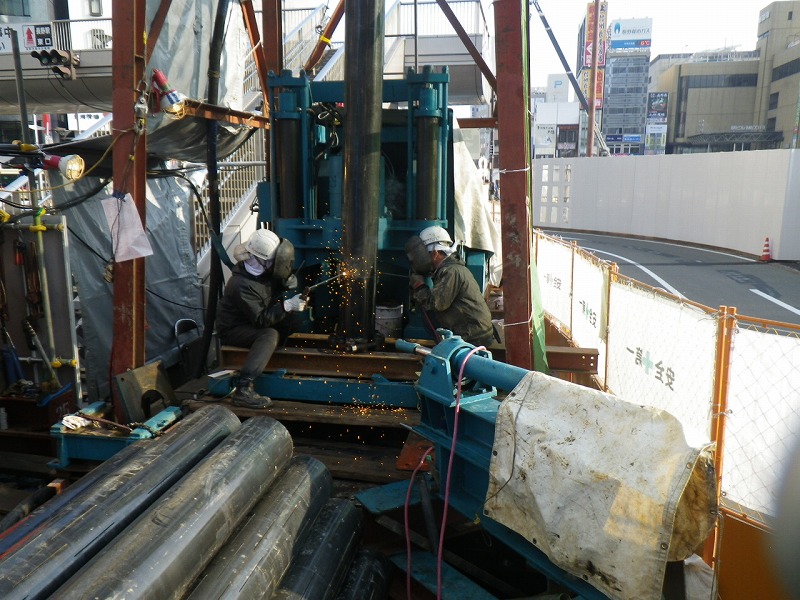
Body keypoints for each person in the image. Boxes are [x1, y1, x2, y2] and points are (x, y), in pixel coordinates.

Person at [216, 229, 307, 408]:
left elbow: (271, 290)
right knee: (269, 335)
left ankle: (271, 357)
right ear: (261, 259)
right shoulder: (241, 285)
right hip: (234, 329)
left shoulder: (261, 271)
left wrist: (285, 284)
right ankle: (244, 389)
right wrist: (287, 305)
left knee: (292, 322)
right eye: (274, 261)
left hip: (252, 321)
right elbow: (260, 320)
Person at [409, 225, 495, 348]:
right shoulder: (449, 269)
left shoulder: (451, 271)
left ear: (434, 253)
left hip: (474, 337)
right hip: (473, 332)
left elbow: (436, 304)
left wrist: (419, 285)